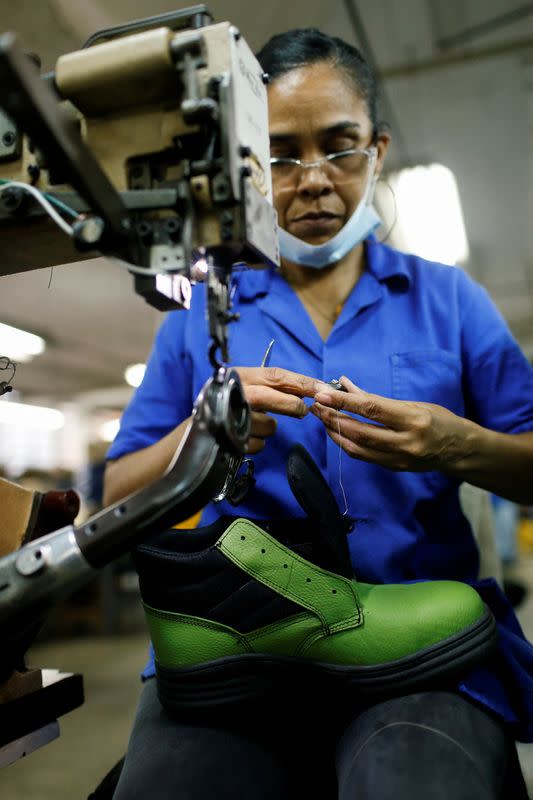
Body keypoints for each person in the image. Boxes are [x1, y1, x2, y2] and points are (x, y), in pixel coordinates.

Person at [103, 28, 533, 800]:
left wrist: (457, 446)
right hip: (241, 646)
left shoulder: (450, 303)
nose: (311, 180)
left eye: (339, 147)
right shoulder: (204, 314)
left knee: (412, 784)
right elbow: (115, 499)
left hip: (416, 647)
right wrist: (198, 437)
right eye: (279, 154)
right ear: (246, 167)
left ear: (378, 150)